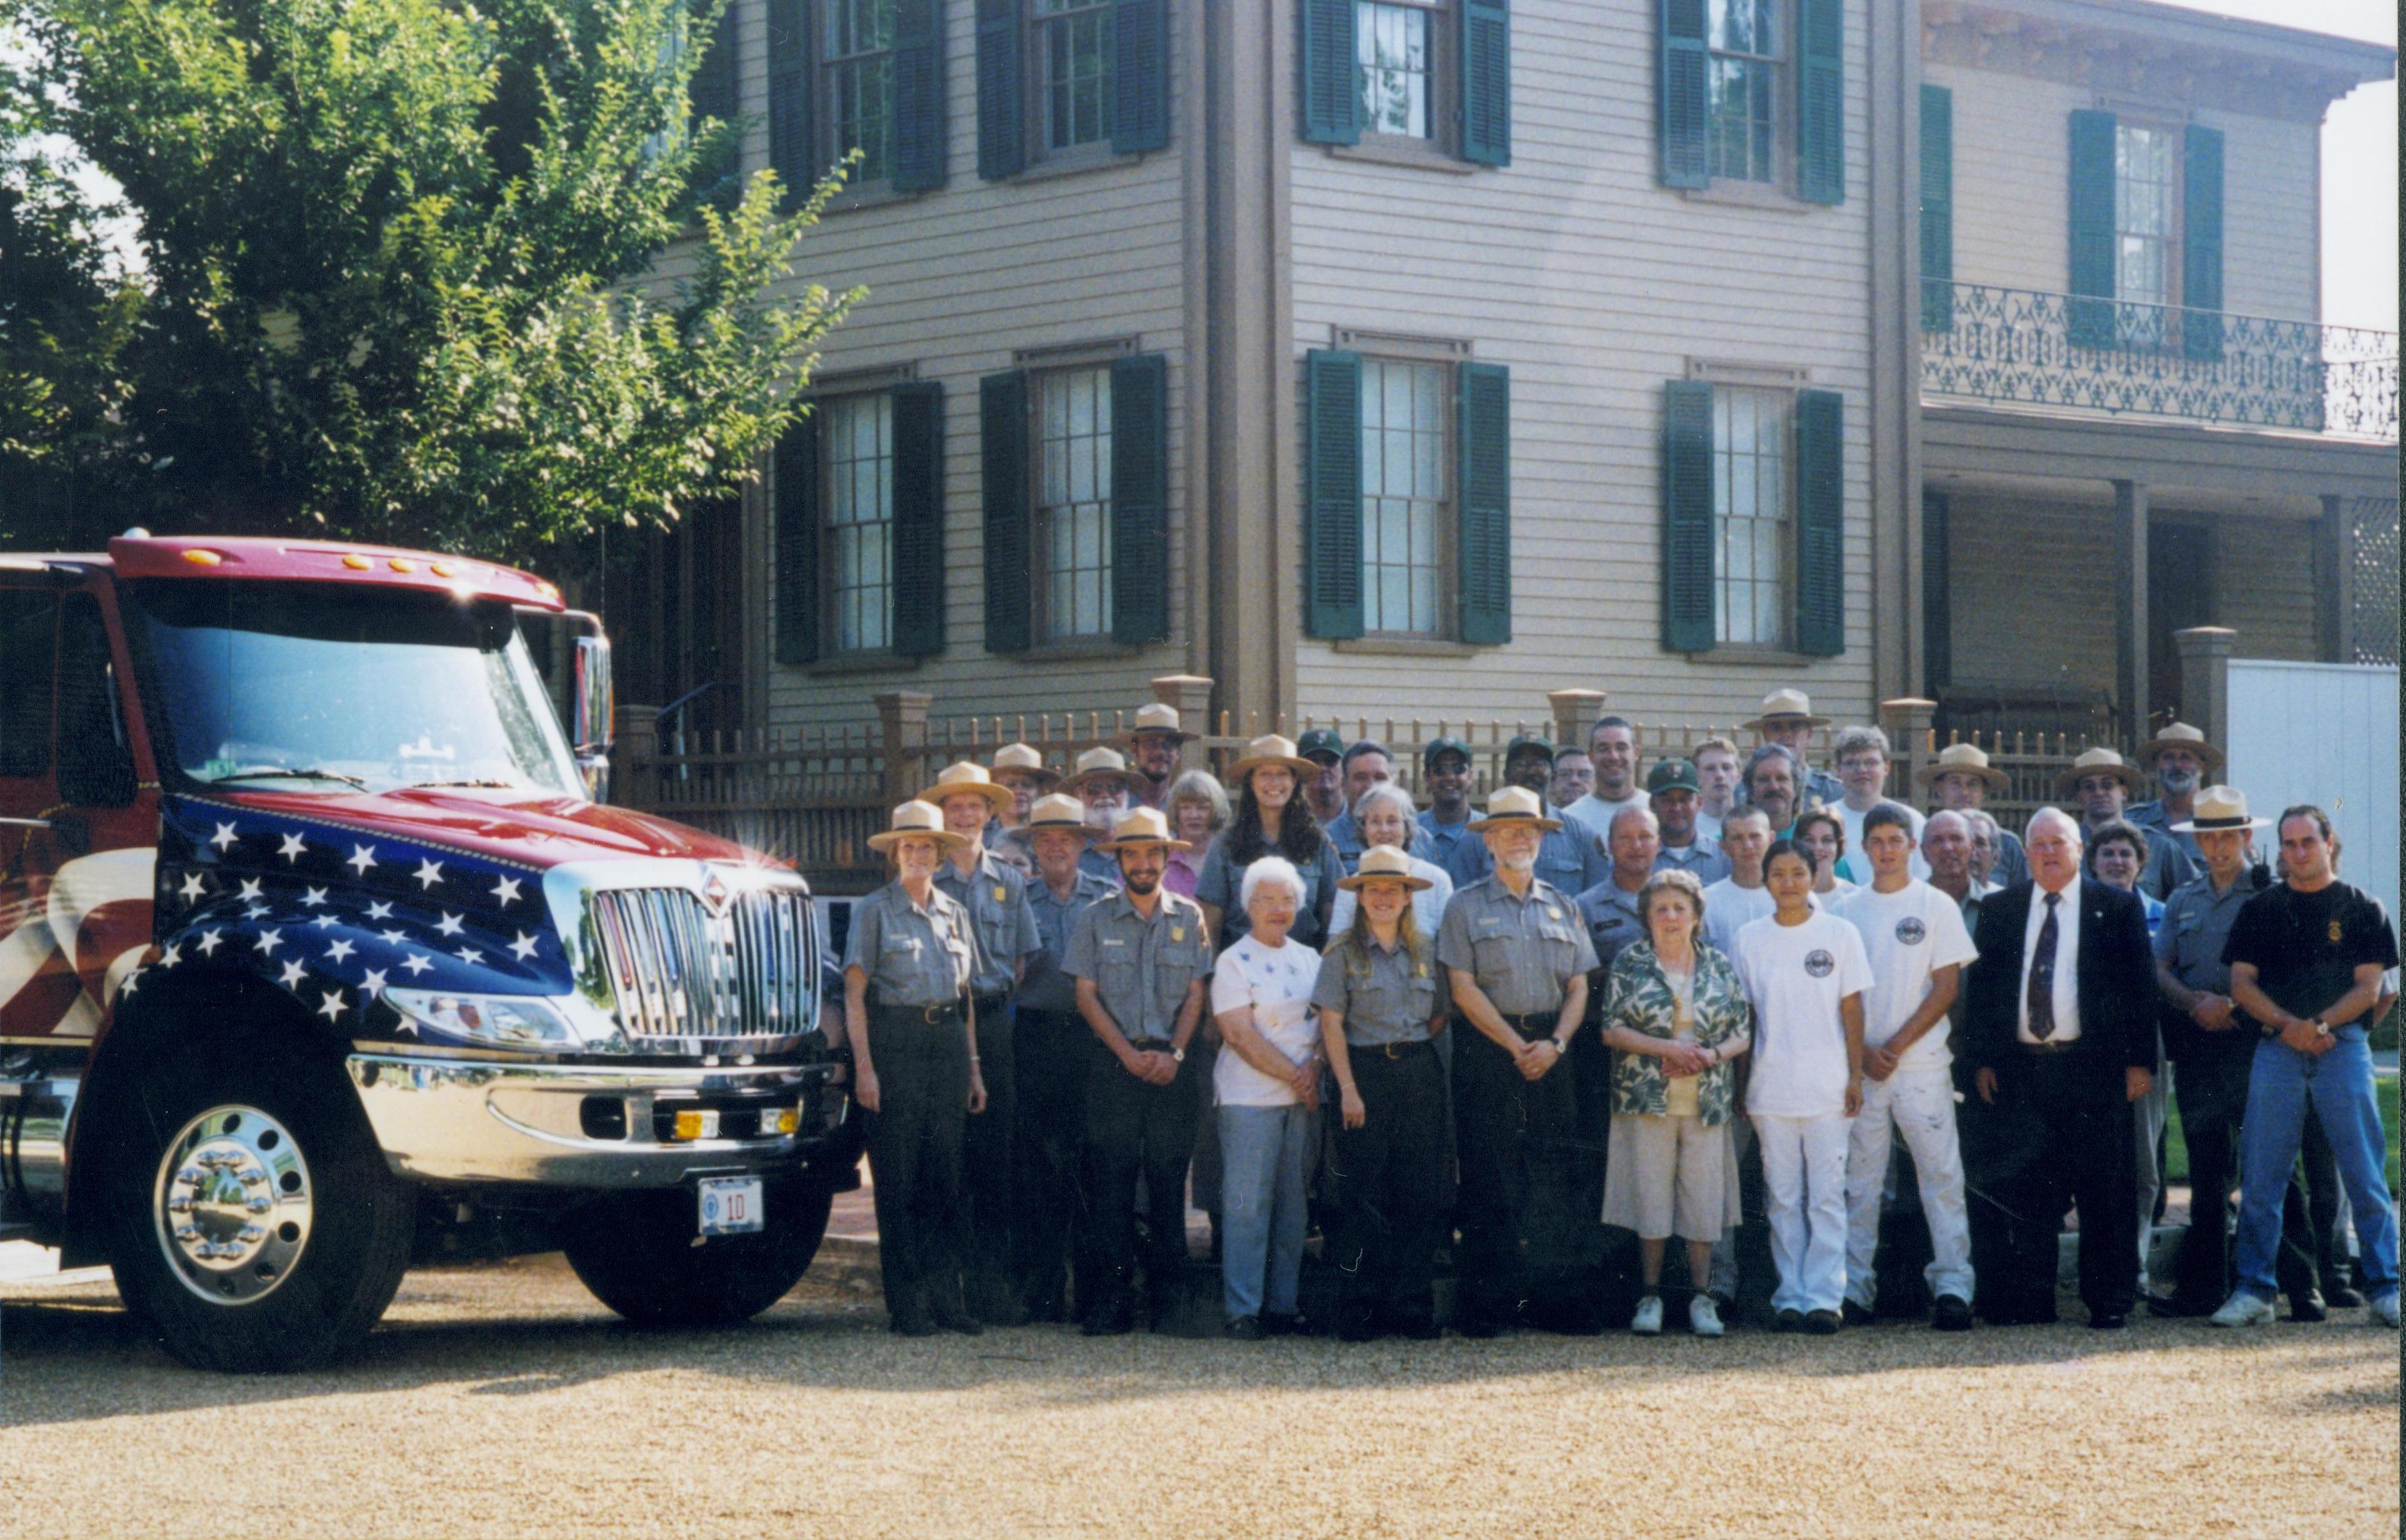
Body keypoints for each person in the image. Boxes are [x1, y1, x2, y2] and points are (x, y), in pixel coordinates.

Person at [1963, 808, 2156, 1328]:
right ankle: (2032, 1299)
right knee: (2029, 1188)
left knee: (2105, 1189)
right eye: (2039, 844)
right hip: (2024, 1070)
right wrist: (1981, 1059)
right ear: (2026, 853)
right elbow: (1982, 993)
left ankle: (2109, 1298)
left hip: (2094, 1069)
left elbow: (2141, 988)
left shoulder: (2113, 907)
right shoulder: (2001, 909)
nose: (2049, 852)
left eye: (2059, 842)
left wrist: (2141, 1062)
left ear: (2079, 849)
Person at [2211, 806, 2401, 1329]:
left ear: (2329, 842)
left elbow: (2370, 987)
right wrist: (2288, 1025)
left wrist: (2317, 1026)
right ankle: (2255, 1290)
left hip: (2343, 1050)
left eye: (2307, 842)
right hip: (2277, 1052)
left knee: (2364, 1175)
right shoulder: (2263, 909)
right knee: (2263, 1178)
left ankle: (2386, 1287)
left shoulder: (2362, 907)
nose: (2298, 853)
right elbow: (2241, 983)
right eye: (2288, 844)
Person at [2150, 788, 2323, 1321]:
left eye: (2229, 835)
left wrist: (2236, 1007)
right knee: (2207, 1169)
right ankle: (2204, 1289)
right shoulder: (2184, 898)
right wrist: (2195, 1003)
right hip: (2201, 1047)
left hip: (2261, 1046)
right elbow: (2161, 968)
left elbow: (2292, 973)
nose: (2219, 846)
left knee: (2273, 1163)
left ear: (2247, 837)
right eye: (2209, 836)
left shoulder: (2274, 896)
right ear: (2198, 841)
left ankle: (2303, 1287)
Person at [1437, 786, 1600, 1336]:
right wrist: (1514, 1045)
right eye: (1507, 830)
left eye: (1529, 830)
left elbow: (1579, 986)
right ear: (1488, 840)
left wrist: (1554, 1045)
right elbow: (1461, 988)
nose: (1520, 839)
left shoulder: (1564, 905)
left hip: (1554, 1050)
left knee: (1556, 1176)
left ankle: (1557, 1304)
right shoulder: (1464, 906)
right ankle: (1489, 1307)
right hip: (1490, 1049)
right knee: (1490, 1176)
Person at [1064, 806, 1214, 1335]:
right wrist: (1127, 1055)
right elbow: (1085, 995)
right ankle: (1110, 1306)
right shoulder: (1095, 918)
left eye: (1153, 853)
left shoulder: (1188, 917)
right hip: (1114, 1066)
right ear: (1119, 860)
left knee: (1170, 1186)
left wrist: (1173, 1054)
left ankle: (1170, 1307)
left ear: (1167, 857)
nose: (1144, 863)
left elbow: (1197, 993)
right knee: (1112, 1189)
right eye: (1133, 853)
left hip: (1172, 1067)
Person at [843, 802, 990, 1337]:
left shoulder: (956, 912)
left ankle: (946, 1300)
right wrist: (865, 1069)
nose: (920, 854)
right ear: (896, 854)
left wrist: (973, 1069)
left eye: (928, 846)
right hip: (897, 1045)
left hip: (947, 1043)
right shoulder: (874, 910)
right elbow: (855, 995)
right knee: (899, 1178)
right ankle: (907, 1305)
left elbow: (966, 996)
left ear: (940, 854)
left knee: (945, 1176)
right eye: (910, 846)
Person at [1832, 806, 1980, 1331]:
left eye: (1897, 840)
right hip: (1864, 1068)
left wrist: (1893, 1045)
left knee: (1940, 1176)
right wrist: (1866, 1054)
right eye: (1877, 840)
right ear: (1865, 848)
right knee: (1862, 1181)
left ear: (1911, 846)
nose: (1888, 849)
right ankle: (1854, 1290)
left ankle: (1953, 1286)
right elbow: (1842, 995)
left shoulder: (1935, 904)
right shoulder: (1847, 910)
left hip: (1919, 1065)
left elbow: (1946, 987)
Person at [1597, 869, 1751, 1339]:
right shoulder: (1630, 962)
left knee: (1703, 1203)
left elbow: (1741, 1033)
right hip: (1647, 1099)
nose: (1670, 917)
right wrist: (1667, 1050)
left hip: (1705, 1101)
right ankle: (1651, 1295)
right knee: (1651, 1198)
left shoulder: (1719, 966)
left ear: (1696, 916)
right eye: (1660, 908)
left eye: (1679, 908)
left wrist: (1709, 1056)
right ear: (1647, 916)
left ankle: (1702, 1299)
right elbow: (1610, 1029)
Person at [923, 762, 1043, 1323]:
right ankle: (947, 1292)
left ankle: (992, 1291)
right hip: (944, 1026)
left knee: (996, 1158)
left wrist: (989, 1003)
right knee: (949, 1155)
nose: (965, 816)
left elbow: (1020, 960)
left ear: (992, 813)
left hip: (994, 1024)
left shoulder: (1010, 880)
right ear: (942, 817)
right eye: (955, 807)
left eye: (975, 806)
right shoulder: (927, 879)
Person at [1734, 839, 1869, 1333]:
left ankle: (1825, 1297)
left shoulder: (1840, 933)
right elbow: (1746, 1017)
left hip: (1828, 1086)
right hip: (1771, 1089)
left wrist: (1854, 1076)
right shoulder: (1750, 938)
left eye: (1797, 873)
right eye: (1778, 874)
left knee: (1828, 1195)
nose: (1788, 883)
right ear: (1766, 880)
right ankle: (1790, 1294)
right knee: (1783, 1196)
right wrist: (1742, 1083)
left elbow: (1852, 1009)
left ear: (1813, 876)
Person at [1318, 846, 1451, 1341]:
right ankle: (1360, 1309)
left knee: (1417, 1191)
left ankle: (1410, 1306)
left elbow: (1437, 1017)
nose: (1382, 898)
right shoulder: (1342, 955)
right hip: (1363, 1072)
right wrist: (1348, 1088)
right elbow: (1331, 1023)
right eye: (1373, 889)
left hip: (1417, 1070)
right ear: (1360, 897)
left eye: (1391, 889)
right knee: (1361, 1192)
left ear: (1407, 898)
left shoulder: (1426, 951)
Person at [1009, 793, 1118, 1323]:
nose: (1056, 848)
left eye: (1066, 839)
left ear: (1081, 846)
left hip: (1089, 1039)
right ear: (1033, 846)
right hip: (1032, 1039)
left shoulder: (1104, 898)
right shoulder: (1018, 898)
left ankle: (1092, 1295)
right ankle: (1042, 1292)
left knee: (1090, 1165)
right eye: (1046, 840)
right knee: (1035, 1167)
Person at [1208, 857, 1323, 1339]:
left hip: (1301, 1099)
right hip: (1249, 1097)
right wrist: (1299, 1075)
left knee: (1293, 1206)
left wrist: (1312, 1069)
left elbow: (1325, 1026)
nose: (1278, 909)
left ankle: (1283, 1304)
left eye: (1287, 900)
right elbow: (1239, 1035)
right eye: (1266, 900)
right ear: (1248, 905)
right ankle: (1243, 1310)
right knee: (1247, 1206)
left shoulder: (1310, 959)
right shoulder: (1234, 961)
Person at [1195, 734, 1344, 949]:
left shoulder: (1317, 842)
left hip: (1304, 967)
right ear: (1251, 781)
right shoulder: (1227, 844)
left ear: (1294, 781)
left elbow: (1334, 913)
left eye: (1282, 774)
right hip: (1241, 969)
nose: (1274, 783)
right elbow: (1211, 922)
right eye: (1265, 774)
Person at [1447, 734, 1610, 898]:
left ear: (1553, 775)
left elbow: (1596, 904)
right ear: (1506, 774)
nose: (1531, 772)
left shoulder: (1582, 837)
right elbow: (1463, 906)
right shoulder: (1476, 839)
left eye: (1539, 764)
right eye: (1521, 764)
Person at [2059, 748, 2197, 901]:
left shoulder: (2159, 845)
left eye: (2107, 785)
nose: (2098, 792)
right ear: (2079, 796)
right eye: (2089, 787)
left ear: (2124, 792)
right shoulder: (2064, 847)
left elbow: (2194, 897)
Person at [1327, 782, 1455, 938]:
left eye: (1392, 821)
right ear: (1364, 829)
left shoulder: (1437, 880)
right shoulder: (1350, 888)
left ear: (1407, 829)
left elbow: (1450, 945)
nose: (1384, 829)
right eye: (1375, 821)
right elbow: (1337, 948)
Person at [1917, 743, 2025, 889]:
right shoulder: (1923, 838)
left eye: (1972, 785)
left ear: (1984, 792)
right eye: (1956, 783)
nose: (1965, 792)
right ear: (1939, 789)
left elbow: (2022, 900)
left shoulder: (2007, 844)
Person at [1827, 726, 1927, 885]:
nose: (1861, 770)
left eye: (1871, 762)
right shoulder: (1824, 819)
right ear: (1838, 769)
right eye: (1851, 763)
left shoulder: (1912, 820)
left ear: (1886, 767)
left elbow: (1922, 880)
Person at [1324, 739, 1431, 871]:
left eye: (1380, 777)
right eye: (1361, 777)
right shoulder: (1328, 840)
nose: (1371, 786)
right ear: (1344, 784)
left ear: (1393, 782)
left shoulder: (1421, 840)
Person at [2126, 722, 2221, 868]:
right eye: (2169, 758)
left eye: (2186, 758)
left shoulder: (2222, 824)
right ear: (2157, 767)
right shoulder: (2133, 821)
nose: (2177, 765)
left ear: (2201, 768)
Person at [1700, 806, 1781, 964]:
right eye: (1737, 838)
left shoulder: (1792, 896)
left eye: (1755, 836)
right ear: (1723, 845)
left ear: (1771, 839)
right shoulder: (1706, 901)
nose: (1748, 845)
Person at [1743, 690, 1842, 812]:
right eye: (1777, 727)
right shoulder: (1743, 792)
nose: (1786, 734)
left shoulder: (1832, 791)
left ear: (1809, 734)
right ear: (1765, 734)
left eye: (1795, 726)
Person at [1061, 746, 1144, 883]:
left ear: (1127, 795)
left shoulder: (1143, 845)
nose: (1104, 795)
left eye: (1114, 788)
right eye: (1094, 789)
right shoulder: (1066, 850)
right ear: (1079, 795)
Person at [1564, 715, 1647, 846]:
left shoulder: (1655, 810)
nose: (1613, 756)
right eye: (1604, 749)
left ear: (1636, 753)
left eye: (1621, 748)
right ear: (1591, 756)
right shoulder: (1572, 818)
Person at [1649, 758, 1730, 883]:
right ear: (1652, 805)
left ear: (1699, 802)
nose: (1676, 808)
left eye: (1684, 800)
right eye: (1667, 800)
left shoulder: (1722, 857)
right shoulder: (1642, 858)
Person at [1161, 768, 1228, 899]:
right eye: (1185, 808)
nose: (1193, 815)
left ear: (1215, 810)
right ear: (1176, 811)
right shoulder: (1162, 856)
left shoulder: (1227, 857)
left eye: (1202, 808)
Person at [1416, 736, 1479, 871]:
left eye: (1458, 769)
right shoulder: (1412, 831)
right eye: (1440, 770)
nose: (1450, 777)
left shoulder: (1488, 831)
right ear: (1427, 777)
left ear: (1470, 776)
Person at [1124, 701, 1194, 811]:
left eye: (1169, 744)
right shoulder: (1121, 806)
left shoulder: (1181, 811)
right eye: (1150, 744)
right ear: (1135, 750)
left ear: (1178, 752)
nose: (1159, 752)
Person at [989, 741, 1058, 834]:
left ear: (1040, 791)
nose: (1018, 791)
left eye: (1027, 785)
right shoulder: (980, 836)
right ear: (995, 791)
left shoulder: (1051, 836)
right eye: (1010, 785)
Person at [1792, 809, 1857, 900]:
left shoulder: (1853, 897)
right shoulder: (1786, 894)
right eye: (1810, 840)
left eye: (1827, 840)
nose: (1818, 847)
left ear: (1840, 845)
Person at [1739, 744, 1803, 836]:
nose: (1774, 787)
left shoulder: (1810, 839)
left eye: (1781, 778)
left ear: (1796, 788)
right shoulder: (1732, 842)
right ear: (1751, 790)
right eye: (1764, 779)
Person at [1692, 736, 1742, 844]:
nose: (1720, 775)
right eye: (1710, 769)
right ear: (1697, 777)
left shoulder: (1750, 823)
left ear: (1738, 775)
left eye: (1726, 767)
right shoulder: (1690, 829)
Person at [1296, 726, 1348, 826]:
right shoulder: (1289, 823)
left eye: (1330, 761)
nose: (1322, 768)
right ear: (1300, 771)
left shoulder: (1361, 823)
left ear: (1344, 768)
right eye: (1313, 762)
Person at [1550, 746, 1596, 810]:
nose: (1574, 780)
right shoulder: (1539, 818)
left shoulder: (1609, 818)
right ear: (1552, 784)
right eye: (1565, 774)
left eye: (1584, 775)